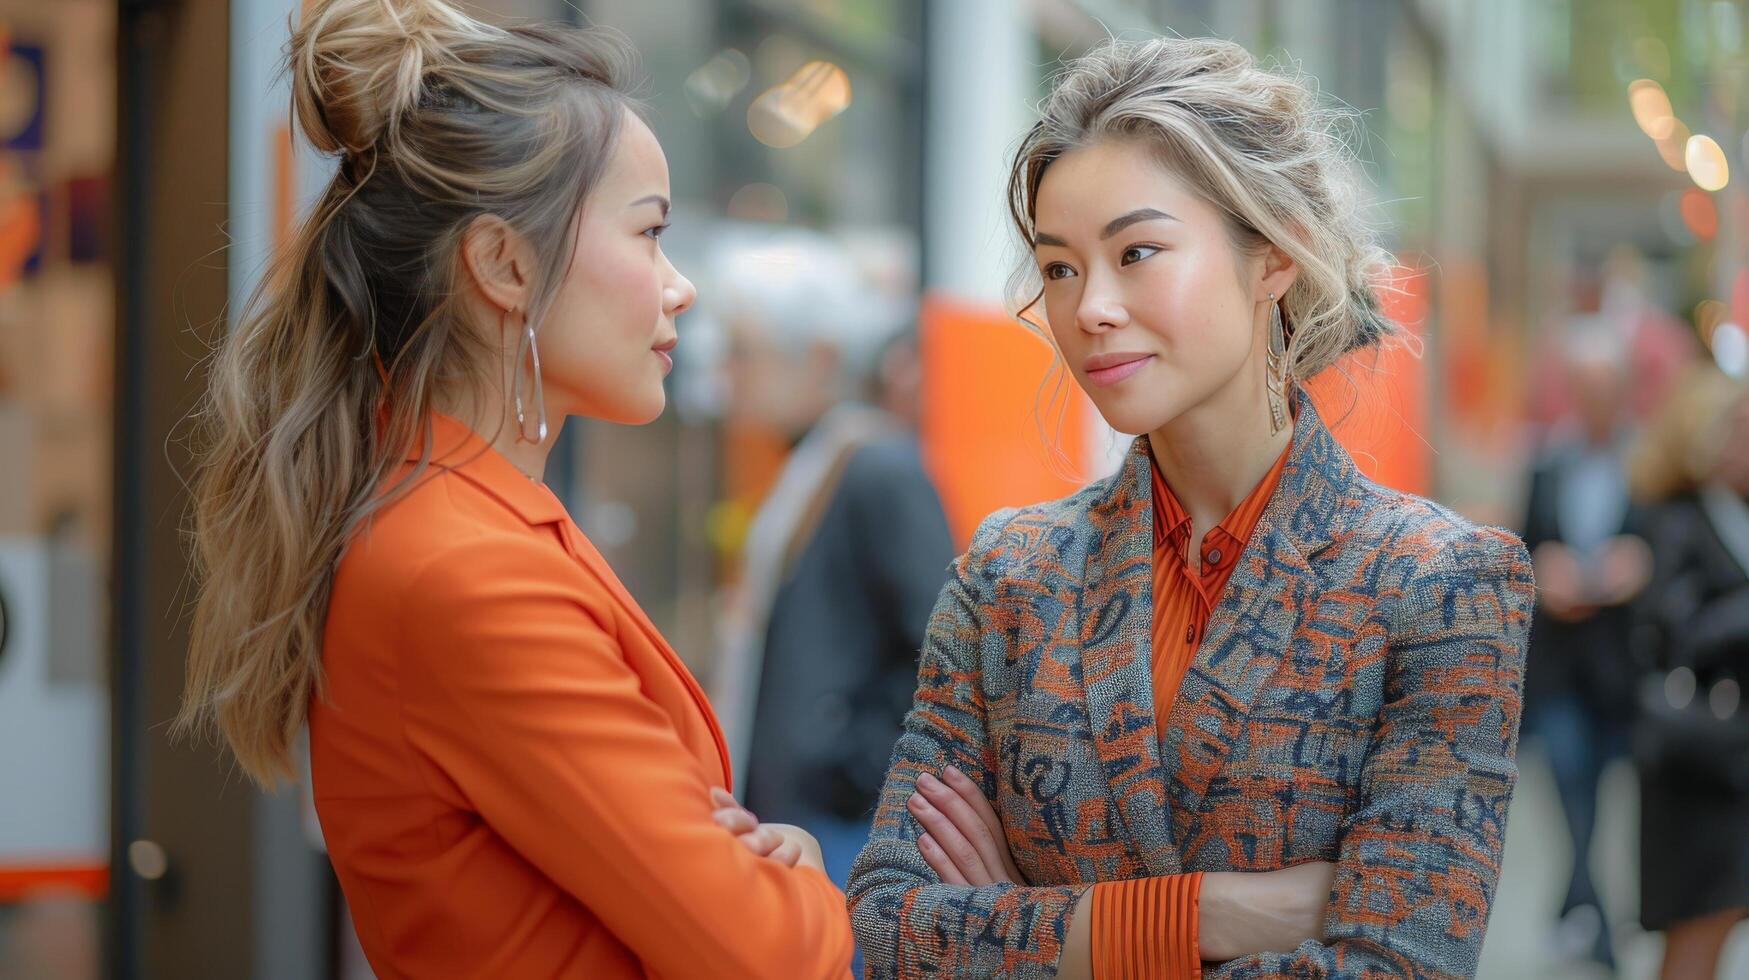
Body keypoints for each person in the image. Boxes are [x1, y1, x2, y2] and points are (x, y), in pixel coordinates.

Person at [173, 2, 853, 977]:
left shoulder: (462, 519)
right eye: (649, 233)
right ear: (502, 262)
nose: (681, 286)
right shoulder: (470, 566)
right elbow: (772, 953)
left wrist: (747, 870)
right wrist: (796, 879)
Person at [847, 37, 1535, 979]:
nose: (1089, 306)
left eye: (1137, 252)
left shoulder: (1437, 585)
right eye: (1057, 268)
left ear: (1273, 257)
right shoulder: (1008, 576)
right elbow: (884, 932)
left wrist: (1031, 925)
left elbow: (1399, 963)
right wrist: (1207, 915)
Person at [706, 230, 955, 898]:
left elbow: (942, 647)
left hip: (843, 831)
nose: (725, 375)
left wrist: (848, 772)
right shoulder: (816, 461)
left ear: (817, 357)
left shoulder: (875, 466)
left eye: (742, 354)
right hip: (808, 820)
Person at [1520, 323, 1653, 971]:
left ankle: (1569, 907)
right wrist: (1542, 569)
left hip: (1622, 665)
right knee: (1571, 789)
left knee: (1603, 799)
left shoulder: (1648, 464)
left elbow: (1666, 549)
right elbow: (1520, 548)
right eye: (1585, 386)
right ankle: (1598, 923)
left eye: (1606, 385)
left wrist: (1641, 566)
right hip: (1560, 662)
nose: (1595, 398)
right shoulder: (1545, 462)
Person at [1629, 376, 1749, 980]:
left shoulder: (1736, 518)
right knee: (1697, 936)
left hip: (1732, 767)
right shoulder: (1679, 520)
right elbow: (1674, 634)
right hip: (1697, 763)